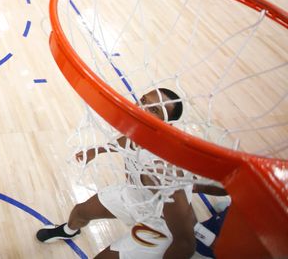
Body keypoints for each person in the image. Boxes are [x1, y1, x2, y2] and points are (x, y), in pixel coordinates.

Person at [35, 88, 224, 258]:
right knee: (80, 212)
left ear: (167, 125)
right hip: (134, 195)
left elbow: (185, 243)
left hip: (159, 225)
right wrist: (97, 150)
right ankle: (70, 231)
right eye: (143, 100)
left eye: (154, 110)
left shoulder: (160, 171)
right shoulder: (139, 131)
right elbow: (126, 142)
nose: (141, 108)